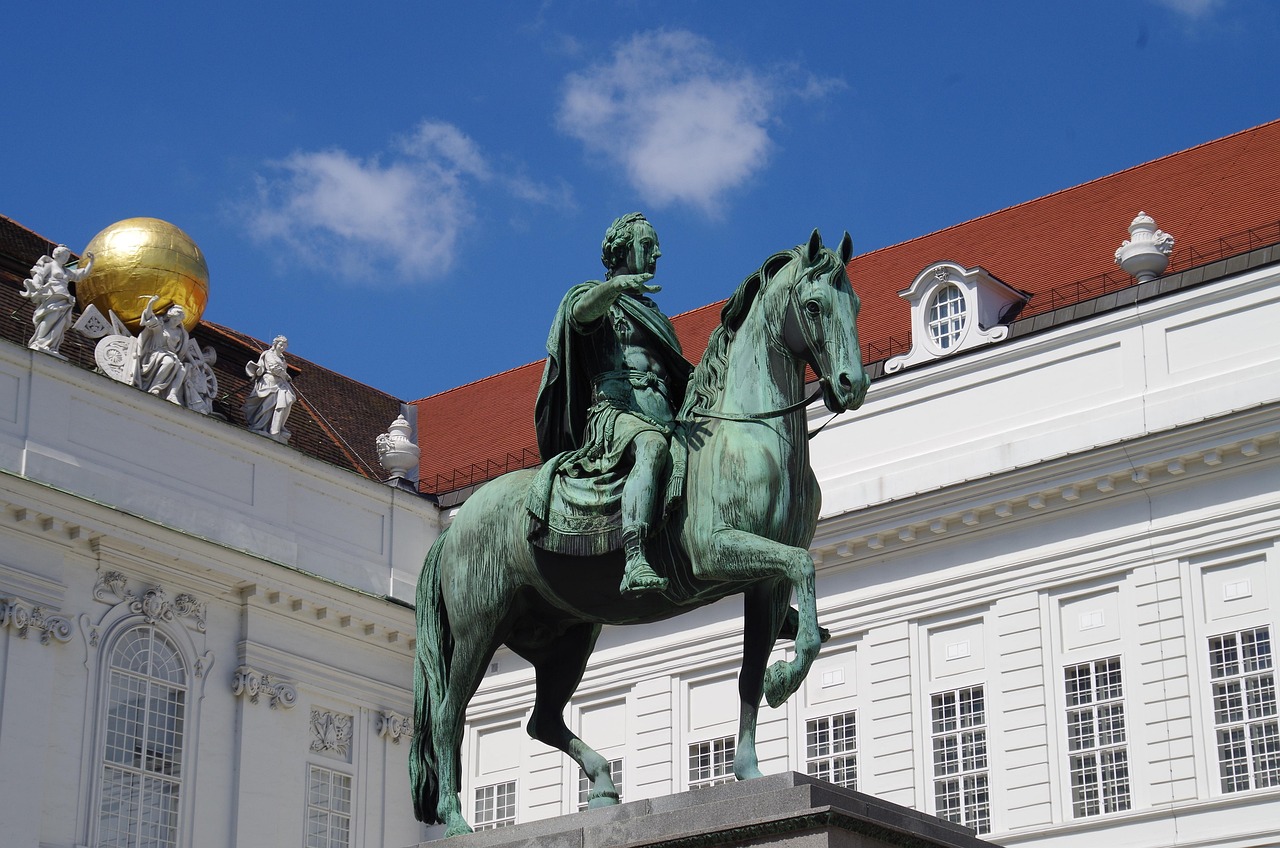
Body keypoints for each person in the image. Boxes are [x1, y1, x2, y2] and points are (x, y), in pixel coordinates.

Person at [531, 213, 693, 596]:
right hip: (615, 413)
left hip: (664, 414)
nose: (657, 252)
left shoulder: (655, 315)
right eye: (648, 245)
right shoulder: (591, 295)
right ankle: (635, 558)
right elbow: (580, 315)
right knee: (651, 448)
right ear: (623, 250)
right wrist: (616, 287)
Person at [21, 245, 93, 357]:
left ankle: (52, 346)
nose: (65, 258)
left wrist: (91, 262)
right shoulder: (50, 265)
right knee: (50, 319)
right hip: (52, 295)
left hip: (64, 297)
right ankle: (40, 341)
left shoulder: (67, 271)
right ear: (56, 255)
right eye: (64, 255)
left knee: (60, 322)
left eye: (67, 256)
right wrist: (37, 285)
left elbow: (81, 274)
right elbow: (39, 275)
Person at [243, 335, 297, 442]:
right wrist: (285, 376)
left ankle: (277, 427)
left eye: (284, 347)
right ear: (275, 344)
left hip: (280, 383)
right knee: (268, 404)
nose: (282, 348)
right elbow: (273, 368)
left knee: (289, 398)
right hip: (269, 382)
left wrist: (284, 376)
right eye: (281, 345)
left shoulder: (282, 358)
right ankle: (263, 426)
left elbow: (281, 369)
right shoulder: (268, 354)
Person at [136, 296, 189, 403]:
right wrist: (151, 303)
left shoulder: (180, 333)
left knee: (182, 370)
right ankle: (155, 388)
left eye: (179, 320)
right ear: (170, 316)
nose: (176, 322)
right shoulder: (161, 326)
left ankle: (172, 394)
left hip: (170, 355)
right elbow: (149, 318)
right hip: (155, 353)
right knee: (168, 362)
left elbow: (180, 350)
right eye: (175, 319)